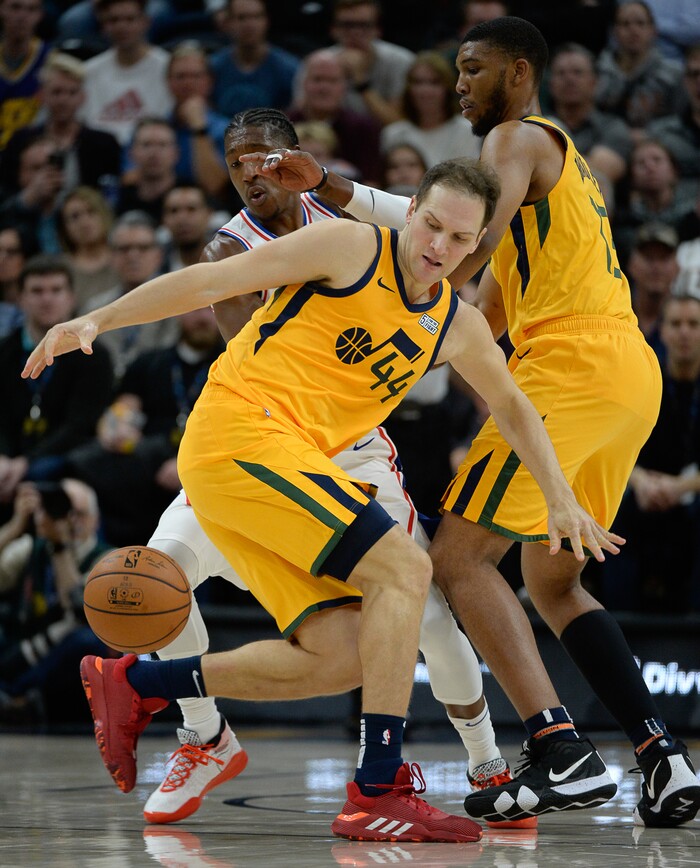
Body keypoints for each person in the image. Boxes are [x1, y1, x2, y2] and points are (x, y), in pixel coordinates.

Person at [22, 158, 619, 844]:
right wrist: (97, 318)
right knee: (406, 570)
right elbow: (214, 281)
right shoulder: (351, 246)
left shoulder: (455, 324)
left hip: (293, 463)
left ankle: (140, 684)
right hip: (237, 434)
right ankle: (378, 789)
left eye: (459, 240)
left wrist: (562, 499)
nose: (438, 247)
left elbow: (513, 406)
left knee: (346, 654)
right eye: (429, 224)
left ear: (478, 243)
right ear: (410, 208)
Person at [245, 14, 700, 830]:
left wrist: (340, 201)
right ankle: (662, 757)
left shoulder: (514, 140)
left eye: (473, 68)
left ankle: (559, 748)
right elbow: (476, 314)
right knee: (553, 580)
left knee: (457, 558)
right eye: (457, 71)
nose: (460, 84)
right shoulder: (556, 169)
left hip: (570, 367)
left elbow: (456, 244)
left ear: (520, 73)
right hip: (626, 374)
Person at [142, 108, 529, 829]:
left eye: (266, 158)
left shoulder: (360, 213)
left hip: (352, 449)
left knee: (426, 608)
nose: (253, 174)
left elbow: (432, 213)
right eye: (237, 164)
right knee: (155, 579)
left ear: (293, 157)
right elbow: (247, 350)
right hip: (262, 439)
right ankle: (202, 735)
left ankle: (486, 759)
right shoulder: (230, 248)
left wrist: (332, 181)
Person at [600, 293, 700, 614]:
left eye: (694, 324)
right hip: (642, 487)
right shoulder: (640, 375)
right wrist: (640, 481)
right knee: (611, 509)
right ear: (664, 331)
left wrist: (680, 487)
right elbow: (608, 443)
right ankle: (619, 625)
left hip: (691, 490)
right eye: (676, 324)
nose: (685, 332)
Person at [0, 256, 113, 514]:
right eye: (37, 291)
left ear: (72, 297)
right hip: (10, 458)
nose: (47, 299)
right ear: (20, 298)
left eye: (56, 290)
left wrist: (25, 463)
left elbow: (81, 424)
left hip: (66, 458)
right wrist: (4, 457)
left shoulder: (93, 353)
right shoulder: (4, 350)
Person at [0, 478, 112, 725]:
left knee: (86, 642)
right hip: (22, 641)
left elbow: (78, 608)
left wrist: (61, 546)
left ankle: (15, 695)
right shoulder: (33, 546)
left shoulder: (106, 558)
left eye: (79, 514)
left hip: (62, 654)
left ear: (96, 521)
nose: (70, 520)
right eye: (60, 510)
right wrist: (15, 525)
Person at [0, 51, 122, 198]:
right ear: (42, 96)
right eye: (56, 92)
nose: (63, 100)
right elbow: (6, 193)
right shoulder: (20, 141)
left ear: (83, 97)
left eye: (72, 93)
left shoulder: (104, 143)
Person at [79, 210, 178, 380]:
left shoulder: (177, 305)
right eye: (124, 249)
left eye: (143, 248)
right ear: (111, 256)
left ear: (158, 256)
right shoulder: (94, 308)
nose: (133, 255)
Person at [81, 0, 174, 149]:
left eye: (130, 19)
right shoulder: (88, 71)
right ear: (104, 26)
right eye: (114, 20)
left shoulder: (168, 68)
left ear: (146, 22)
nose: (121, 26)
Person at [287, 49, 383, 185]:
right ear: (303, 83)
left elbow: (371, 185)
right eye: (317, 79)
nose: (324, 87)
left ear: (345, 86)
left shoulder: (364, 128)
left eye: (332, 81)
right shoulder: (283, 125)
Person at [546, 42, 632, 190]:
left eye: (577, 72)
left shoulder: (613, 128)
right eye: (561, 73)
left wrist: (545, 161)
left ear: (594, 82)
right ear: (551, 84)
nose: (569, 79)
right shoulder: (539, 126)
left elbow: (597, 177)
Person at [595, 0, 683, 136]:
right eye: (625, 24)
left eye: (640, 23)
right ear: (614, 32)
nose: (633, 30)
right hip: (604, 144)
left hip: (658, 145)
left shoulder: (674, 74)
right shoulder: (596, 73)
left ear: (653, 30)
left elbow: (683, 121)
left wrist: (647, 135)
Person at [380, 50, 480, 169]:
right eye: (418, 82)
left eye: (434, 82)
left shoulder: (467, 131)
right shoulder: (393, 134)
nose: (425, 91)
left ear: (448, 88)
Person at [324, 0, 415, 127]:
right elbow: (306, 120)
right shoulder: (318, 63)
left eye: (364, 25)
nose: (355, 32)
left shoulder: (401, 61)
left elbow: (399, 125)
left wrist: (361, 82)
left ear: (378, 30)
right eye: (347, 25)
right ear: (333, 30)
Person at [208, 0, 299, 119]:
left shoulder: (290, 69)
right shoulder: (212, 67)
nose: (249, 24)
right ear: (227, 23)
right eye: (241, 18)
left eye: (256, 17)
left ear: (266, 21)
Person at [165, 41, 230, 204]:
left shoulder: (229, 130)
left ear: (209, 82)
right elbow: (130, 179)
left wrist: (199, 129)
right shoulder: (155, 128)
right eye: (181, 76)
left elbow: (215, 186)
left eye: (196, 76)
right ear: (168, 82)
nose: (188, 83)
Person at [56, 187, 120, 313]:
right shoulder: (60, 268)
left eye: (91, 212)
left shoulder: (123, 259)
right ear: (64, 227)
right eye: (75, 217)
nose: (84, 222)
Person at [0, 0, 51, 151]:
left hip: (33, 153)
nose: (22, 16)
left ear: (40, 14)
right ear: (1, 9)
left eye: (31, 9)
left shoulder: (52, 61)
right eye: (15, 7)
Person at [116, 117, 180, 224]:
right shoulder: (119, 199)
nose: (154, 153)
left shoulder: (192, 197)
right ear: (131, 153)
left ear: (176, 153)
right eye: (146, 145)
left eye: (162, 145)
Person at [160, 184, 213, 272]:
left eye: (191, 209)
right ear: (163, 219)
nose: (182, 218)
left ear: (208, 215)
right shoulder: (155, 268)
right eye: (174, 210)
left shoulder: (228, 259)